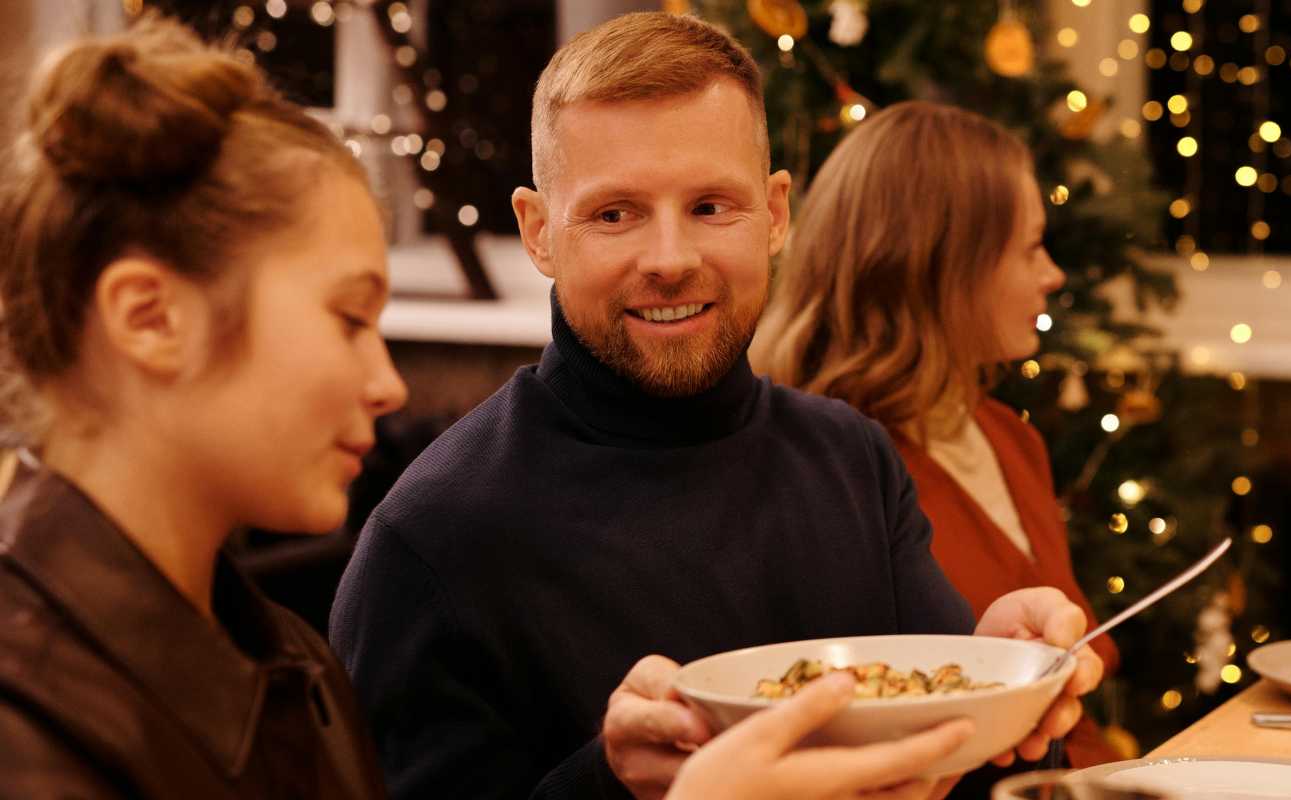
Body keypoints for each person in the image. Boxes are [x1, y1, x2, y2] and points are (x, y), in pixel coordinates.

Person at [328, 12, 1102, 800]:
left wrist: (1014, 692)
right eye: (614, 214)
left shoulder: (851, 461)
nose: (671, 261)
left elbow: (959, 766)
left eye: (709, 207)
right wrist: (610, 783)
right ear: (538, 233)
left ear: (773, 214)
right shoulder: (432, 542)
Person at [0, 16, 402, 795]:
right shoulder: (24, 724)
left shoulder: (296, 664)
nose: (389, 385)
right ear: (151, 318)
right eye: (350, 319)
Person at [753, 101, 1122, 777]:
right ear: (944, 268)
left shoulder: (1010, 438)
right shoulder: (823, 472)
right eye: (1030, 247)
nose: (1054, 274)